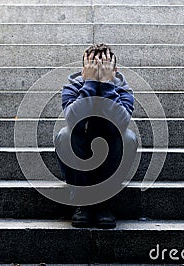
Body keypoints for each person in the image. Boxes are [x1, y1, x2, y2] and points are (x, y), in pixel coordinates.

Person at [54, 44, 137, 229]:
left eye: (104, 67)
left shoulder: (124, 89)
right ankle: (82, 201)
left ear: (114, 70)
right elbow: (75, 120)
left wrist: (107, 86)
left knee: (129, 138)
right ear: (84, 69)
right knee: (64, 134)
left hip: (108, 158)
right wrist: (90, 83)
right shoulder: (72, 87)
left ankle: (104, 202)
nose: (98, 71)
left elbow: (119, 123)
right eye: (93, 67)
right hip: (81, 158)